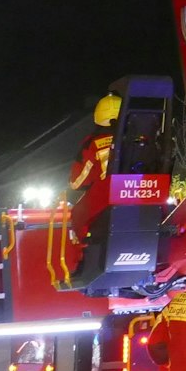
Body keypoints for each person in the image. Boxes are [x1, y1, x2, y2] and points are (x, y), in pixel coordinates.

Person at [66, 93, 122, 270]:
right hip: (142, 199)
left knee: (76, 216)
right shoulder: (142, 139)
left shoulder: (92, 143)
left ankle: (81, 262)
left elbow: (77, 181)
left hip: (104, 204)